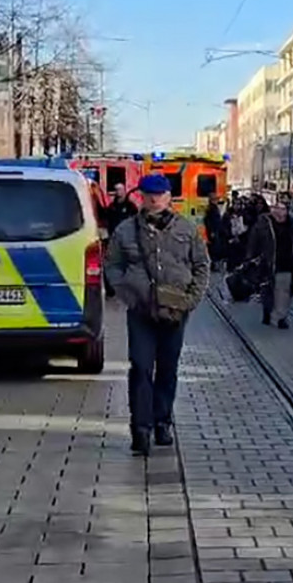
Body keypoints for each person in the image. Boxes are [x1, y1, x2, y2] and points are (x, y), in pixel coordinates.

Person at [104, 174, 210, 457]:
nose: (154, 199)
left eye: (159, 194)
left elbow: (202, 266)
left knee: (167, 368)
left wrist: (190, 300)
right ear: (141, 197)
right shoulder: (126, 230)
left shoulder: (187, 229)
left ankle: (162, 421)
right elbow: (112, 265)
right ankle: (140, 428)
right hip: (140, 311)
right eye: (149, 194)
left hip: (175, 311)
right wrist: (126, 292)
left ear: (168, 196)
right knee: (140, 367)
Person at [246, 197, 293, 329]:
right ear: (272, 210)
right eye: (277, 208)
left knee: (284, 290)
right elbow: (254, 241)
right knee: (268, 290)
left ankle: (280, 317)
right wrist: (250, 258)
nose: (280, 212)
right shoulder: (264, 223)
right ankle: (269, 312)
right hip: (267, 263)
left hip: (286, 263)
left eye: (283, 209)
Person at [203, 194, 224, 268]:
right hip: (213, 231)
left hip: (214, 230)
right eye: (215, 199)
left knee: (214, 246)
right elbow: (209, 221)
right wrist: (212, 231)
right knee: (214, 247)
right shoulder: (212, 209)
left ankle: (213, 262)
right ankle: (213, 263)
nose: (217, 201)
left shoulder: (212, 208)